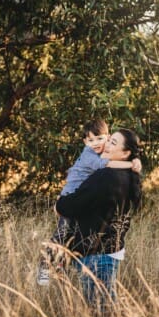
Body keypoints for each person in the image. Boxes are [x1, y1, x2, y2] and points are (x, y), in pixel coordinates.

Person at [37, 120, 141, 285]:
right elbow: (104, 165)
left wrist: (132, 161)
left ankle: (56, 270)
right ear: (85, 142)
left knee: (64, 237)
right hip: (71, 194)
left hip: (99, 252)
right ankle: (45, 274)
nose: (97, 144)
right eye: (91, 140)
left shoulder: (109, 173)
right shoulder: (92, 156)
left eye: (102, 139)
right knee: (59, 237)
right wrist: (132, 163)